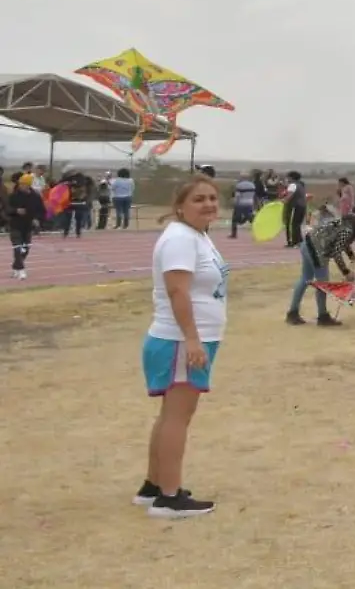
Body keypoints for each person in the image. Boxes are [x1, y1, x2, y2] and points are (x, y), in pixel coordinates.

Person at [139, 175, 226, 518]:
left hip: (190, 337)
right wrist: (192, 338)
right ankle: (169, 498)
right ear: (180, 206)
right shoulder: (179, 239)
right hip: (180, 340)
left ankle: (154, 486)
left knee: (170, 416)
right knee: (177, 417)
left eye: (212, 198)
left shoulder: (196, 236)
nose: (207, 204)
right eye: (198, 199)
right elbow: (178, 292)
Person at [288, 200, 355, 326]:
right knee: (323, 284)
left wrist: (351, 255)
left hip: (308, 243)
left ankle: (292, 313)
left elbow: (341, 242)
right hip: (317, 251)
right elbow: (337, 252)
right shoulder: (349, 230)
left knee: (305, 278)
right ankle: (322, 316)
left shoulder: (351, 220)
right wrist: (346, 272)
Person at [10, 171, 46, 279]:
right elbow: (6, 209)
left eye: (24, 184)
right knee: (17, 247)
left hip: (28, 226)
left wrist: (37, 219)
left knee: (25, 249)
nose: (21, 186)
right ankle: (21, 270)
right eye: (20, 184)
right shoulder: (13, 196)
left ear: (29, 185)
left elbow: (42, 211)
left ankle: (16, 266)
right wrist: (16, 211)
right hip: (15, 225)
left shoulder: (36, 197)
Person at [282, 172, 308, 248]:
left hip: (295, 206)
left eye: (288, 177)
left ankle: (292, 242)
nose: (287, 179)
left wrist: (284, 200)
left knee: (291, 225)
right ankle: (299, 241)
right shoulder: (301, 185)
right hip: (302, 206)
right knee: (297, 225)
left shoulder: (293, 185)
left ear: (291, 178)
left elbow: (290, 195)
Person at [229, 172, 257, 239]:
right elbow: (253, 195)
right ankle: (258, 230)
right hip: (250, 203)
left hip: (240, 204)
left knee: (235, 219)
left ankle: (234, 234)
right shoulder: (252, 185)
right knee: (252, 219)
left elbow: (237, 196)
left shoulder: (239, 185)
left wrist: (234, 202)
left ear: (242, 178)